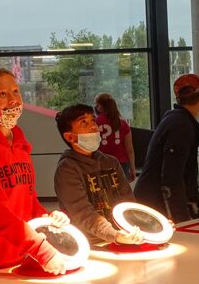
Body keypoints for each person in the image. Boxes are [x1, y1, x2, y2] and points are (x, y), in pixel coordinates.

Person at [0, 68, 68, 274]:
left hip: (22, 257)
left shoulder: (21, 146)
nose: (13, 100)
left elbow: (29, 203)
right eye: (2, 94)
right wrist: (42, 250)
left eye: (15, 91)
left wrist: (49, 217)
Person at [54, 104, 143, 245]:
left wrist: (150, 225)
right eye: (84, 122)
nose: (94, 127)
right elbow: (82, 213)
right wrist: (114, 235)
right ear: (70, 137)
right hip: (89, 242)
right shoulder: (67, 169)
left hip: (121, 235)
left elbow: (128, 201)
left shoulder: (111, 162)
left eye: (93, 120)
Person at [134, 73, 199, 223]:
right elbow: (172, 177)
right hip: (156, 205)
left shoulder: (175, 119)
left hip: (150, 200)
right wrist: (182, 218)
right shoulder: (182, 126)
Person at [95, 93, 136, 182]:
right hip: (121, 164)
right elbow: (130, 150)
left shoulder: (95, 123)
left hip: (101, 163)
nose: (96, 107)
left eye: (97, 105)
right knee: (122, 190)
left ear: (100, 107)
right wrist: (132, 169)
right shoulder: (123, 124)